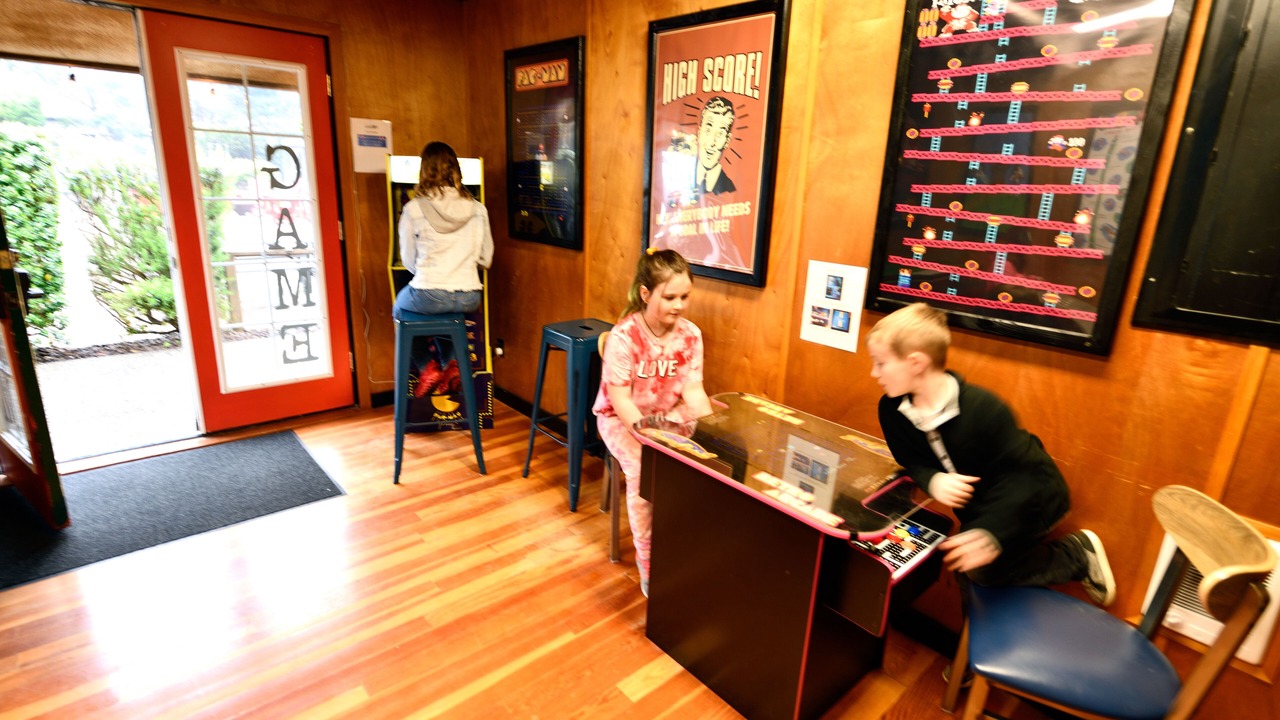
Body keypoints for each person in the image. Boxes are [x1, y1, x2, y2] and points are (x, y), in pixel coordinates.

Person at [866, 302, 1115, 607]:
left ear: (915, 363)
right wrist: (932, 480)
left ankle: (1076, 555)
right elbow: (910, 459)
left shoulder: (985, 409)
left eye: (881, 363)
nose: (874, 372)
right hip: (983, 506)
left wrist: (992, 533)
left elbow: (1023, 481)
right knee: (966, 565)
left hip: (1035, 499)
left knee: (980, 571)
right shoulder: (891, 409)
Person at [593, 249, 713, 597]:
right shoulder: (624, 337)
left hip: (669, 416)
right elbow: (621, 401)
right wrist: (650, 439)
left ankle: (683, 541)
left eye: (685, 297)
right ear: (646, 294)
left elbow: (694, 391)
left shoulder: (691, 335)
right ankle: (647, 560)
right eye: (670, 297)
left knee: (707, 464)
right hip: (623, 420)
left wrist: (713, 436)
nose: (679, 305)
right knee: (646, 472)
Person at [394, 142, 494, 393]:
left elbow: (408, 261)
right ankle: (450, 364)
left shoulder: (413, 208)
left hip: (429, 292)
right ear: (456, 170)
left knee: (399, 308)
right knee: (448, 315)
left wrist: (430, 271)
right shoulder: (478, 209)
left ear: (424, 170)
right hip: (470, 296)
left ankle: (427, 367)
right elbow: (486, 259)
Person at [694, 96, 736, 195]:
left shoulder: (731, 190)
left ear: (727, 141)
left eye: (720, 134)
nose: (712, 142)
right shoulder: (679, 176)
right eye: (708, 130)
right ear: (699, 133)